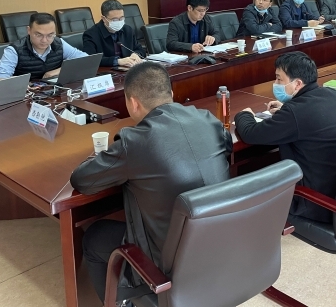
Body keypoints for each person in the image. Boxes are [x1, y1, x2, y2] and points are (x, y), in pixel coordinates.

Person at [70, 62, 232, 302]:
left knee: (94, 236)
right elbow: (226, 146)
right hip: (222, 240)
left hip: (168, 259)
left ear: (133, 103)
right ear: (171, 93)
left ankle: (124, 301)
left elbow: (82, 180)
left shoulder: (135, 141)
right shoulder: (208, 120)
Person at [234, 52, 336, 223]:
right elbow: (307, 116)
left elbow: (251, 133)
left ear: (298, 84)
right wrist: (286, 110)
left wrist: (244, 115)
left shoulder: (295, 112)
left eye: (279, 79)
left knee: (249, 187)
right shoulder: (332, 94)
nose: (275, 84)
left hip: (317, 202)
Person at [0, 12, 87, 79]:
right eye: (39, 35)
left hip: (54, 92)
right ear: (29, 30)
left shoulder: (59, 43)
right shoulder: (15, 50)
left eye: (50, 35)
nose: (44, 40)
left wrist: (59, 71)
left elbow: (85, 59)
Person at [83, 0, 145, 68]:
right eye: (114, 20)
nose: (119, 22)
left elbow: (140, 50)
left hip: (128, 68)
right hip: (106, 71)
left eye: (121, 18)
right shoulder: (91, 34)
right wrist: (117, 61)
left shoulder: (127, 30)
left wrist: (136, 54)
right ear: (104, 19)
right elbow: (90, 60)